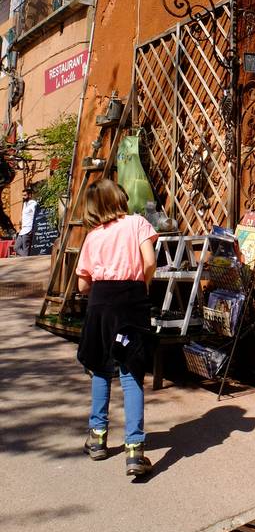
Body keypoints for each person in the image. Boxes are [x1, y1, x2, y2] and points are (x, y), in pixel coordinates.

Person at [75, 179, 157, 477]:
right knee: (131, 370)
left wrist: (96, 290)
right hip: (131, 302)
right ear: (119, 199)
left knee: (100, 367)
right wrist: (142, 285)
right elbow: (150, 261)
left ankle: (97, 438)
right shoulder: (137, 223)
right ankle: (134, 449)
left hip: (100, 303)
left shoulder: (93, 236)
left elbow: (83, 283)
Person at [14, 188, 37, 256]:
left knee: (25, 248)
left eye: (25, 195)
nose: (23, 197)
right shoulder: (24, 204)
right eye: (23, 195)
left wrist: (32, 229)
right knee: (16, 247)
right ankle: (26, 257)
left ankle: (26, 259)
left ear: (30, 195)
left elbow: (35, 216)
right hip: (23, 230)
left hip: (28, 229)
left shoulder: (33, 204)